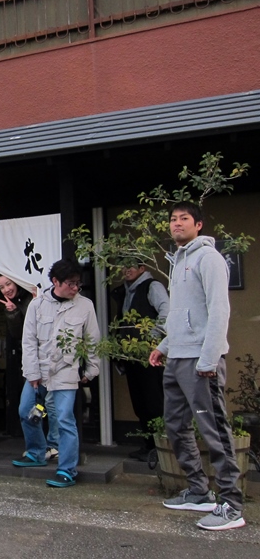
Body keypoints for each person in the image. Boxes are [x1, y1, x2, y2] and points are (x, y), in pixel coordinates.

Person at [148, 201, 244, 531]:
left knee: (214, 430)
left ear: (198, 224)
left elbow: (219, 312)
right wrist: (165, 345)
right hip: (177, 358)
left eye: (184, 219)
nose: (176, 224)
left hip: (202, 361)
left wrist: (209, 357)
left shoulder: (209, 259)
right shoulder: (177, 262)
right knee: (176, 426)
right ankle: (199, 491)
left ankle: (231, 504)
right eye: (173, 220)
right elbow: (181, 312)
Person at [12, 259, 100, 488]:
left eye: (77, 284)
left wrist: (91, 370)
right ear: (55, 282)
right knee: (25, 411)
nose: (75, 288)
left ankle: (67, 469)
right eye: (70, 283)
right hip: (38, 370)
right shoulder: (37, 305)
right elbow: (28, 341)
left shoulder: (85, 305)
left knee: (64, 419)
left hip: (67, 370)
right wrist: (31, 372)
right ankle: (36, 452)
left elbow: (92, 340)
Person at [0, 275, 59, 462]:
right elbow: (21, 335)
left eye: (8, 283)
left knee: (52, 405)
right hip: (32, 363)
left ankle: (54, 446)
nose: (6, 289)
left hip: (54, 360)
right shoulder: (16, 303)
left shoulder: (38, 297)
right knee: (26, 408)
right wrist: (13, 312)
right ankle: (37, 450)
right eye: (1, 287)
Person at [111, 261, 169, 462]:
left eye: (132, 266)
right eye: (124, 266)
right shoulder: (127, 291)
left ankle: (162, 448)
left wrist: (152, 340)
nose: (127, 269)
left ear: (142, 269)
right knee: (140, 401)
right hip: (132, 356)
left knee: (154, 401)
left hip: (152, 354)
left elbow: (166, 313)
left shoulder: (152, 286)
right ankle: (149, 446)